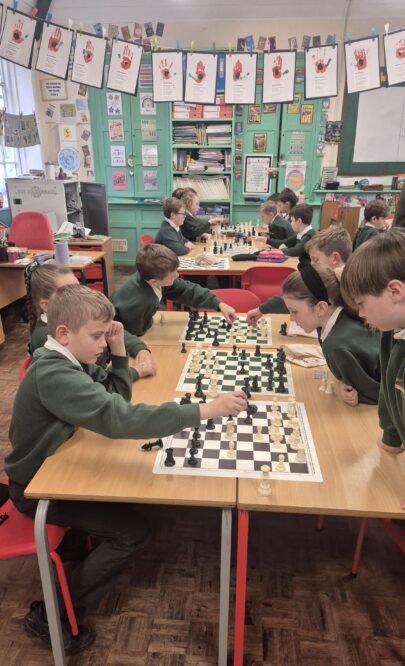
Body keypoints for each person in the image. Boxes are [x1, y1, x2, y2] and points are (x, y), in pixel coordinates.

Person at [5, 284, 247, 652]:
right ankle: (57, 607)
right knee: (132, 532)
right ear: (63, 334)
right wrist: (206, 410)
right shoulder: (56, 374)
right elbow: (120, 418)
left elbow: (115, 396)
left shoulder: (70, 359)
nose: (102, 343)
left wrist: (118, 349)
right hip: (35, 488)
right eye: (97, 336)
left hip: (59, 466)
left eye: (105, 334)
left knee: (128, 500)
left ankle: (76, 557)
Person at [340, 229, 405, 464]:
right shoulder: (391, 330)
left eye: (361, 303)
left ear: (394, 291)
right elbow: (390, 389)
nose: (360, 313)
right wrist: (391, 436)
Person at [25, 263, 155, 379]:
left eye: (79, 288)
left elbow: (112, 330)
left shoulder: (77, 316)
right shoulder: (46, 337)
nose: (81, 296)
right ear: (46, 305)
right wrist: (135, 371)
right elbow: (90, 379)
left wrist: (140, 349)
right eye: (69, 292)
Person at [281, 263, 380, 406]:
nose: (291, 318)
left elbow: (380, 394)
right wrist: (345, 381)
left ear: (321, 308)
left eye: (294, 311)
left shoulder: (335, 345)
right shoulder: (338, 318)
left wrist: (357, 394)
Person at [111, 244, 236, 336]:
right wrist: (148, 324)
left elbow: (187, 290)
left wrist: (219, 304)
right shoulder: (142, 301)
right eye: (172, 275)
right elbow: (134, 333)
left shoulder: (153, 278)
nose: (177, 275)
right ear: (154, 281)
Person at [246, 226, 352, 323]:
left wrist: (262, 309)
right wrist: (262, 309)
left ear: (335, 258)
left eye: (316, 260)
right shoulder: (337, 279)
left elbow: (297, 297)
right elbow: (296, 297)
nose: (312, 265)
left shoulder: (346, 288)